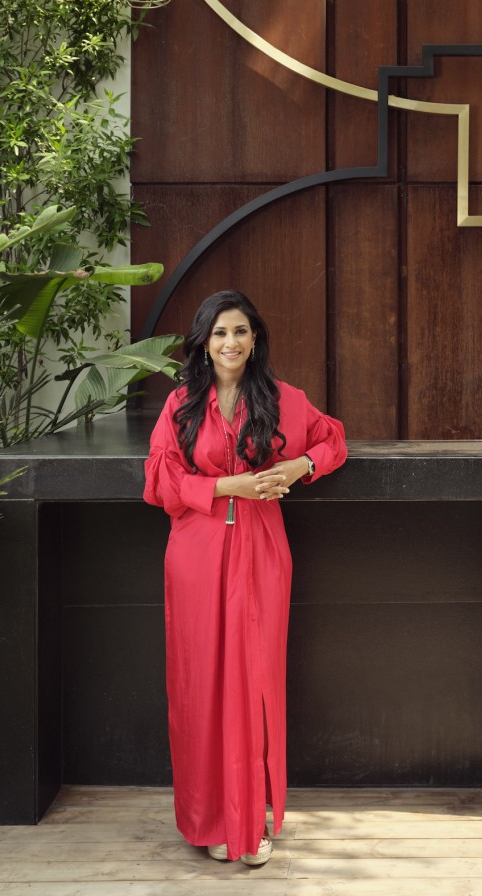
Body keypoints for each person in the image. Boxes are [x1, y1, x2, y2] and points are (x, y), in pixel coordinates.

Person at [143, 289, 347, 867]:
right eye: (218, 333)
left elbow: (333, 439)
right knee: (203, 685)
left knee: (255, 683)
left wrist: (300, 465)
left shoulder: (283, 400)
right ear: (204, 344)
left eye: (240, 332)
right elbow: (160, 480)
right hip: (198, 553)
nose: (230, 343)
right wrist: (225, 487)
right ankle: (211, 818)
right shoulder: (182, 404)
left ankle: (251, 818)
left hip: (261, 549)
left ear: (255, 339)